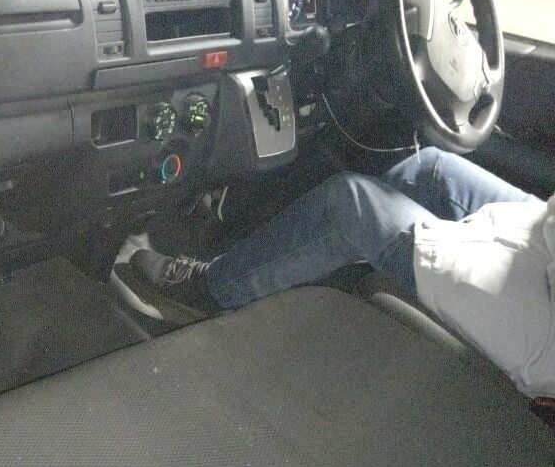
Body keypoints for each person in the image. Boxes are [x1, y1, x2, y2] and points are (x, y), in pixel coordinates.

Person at [115, 146, 555, 398]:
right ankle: (297, 268)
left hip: (538, 312)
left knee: (348, 204)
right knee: (431, 168)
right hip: (541, 231)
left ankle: (211, 290)